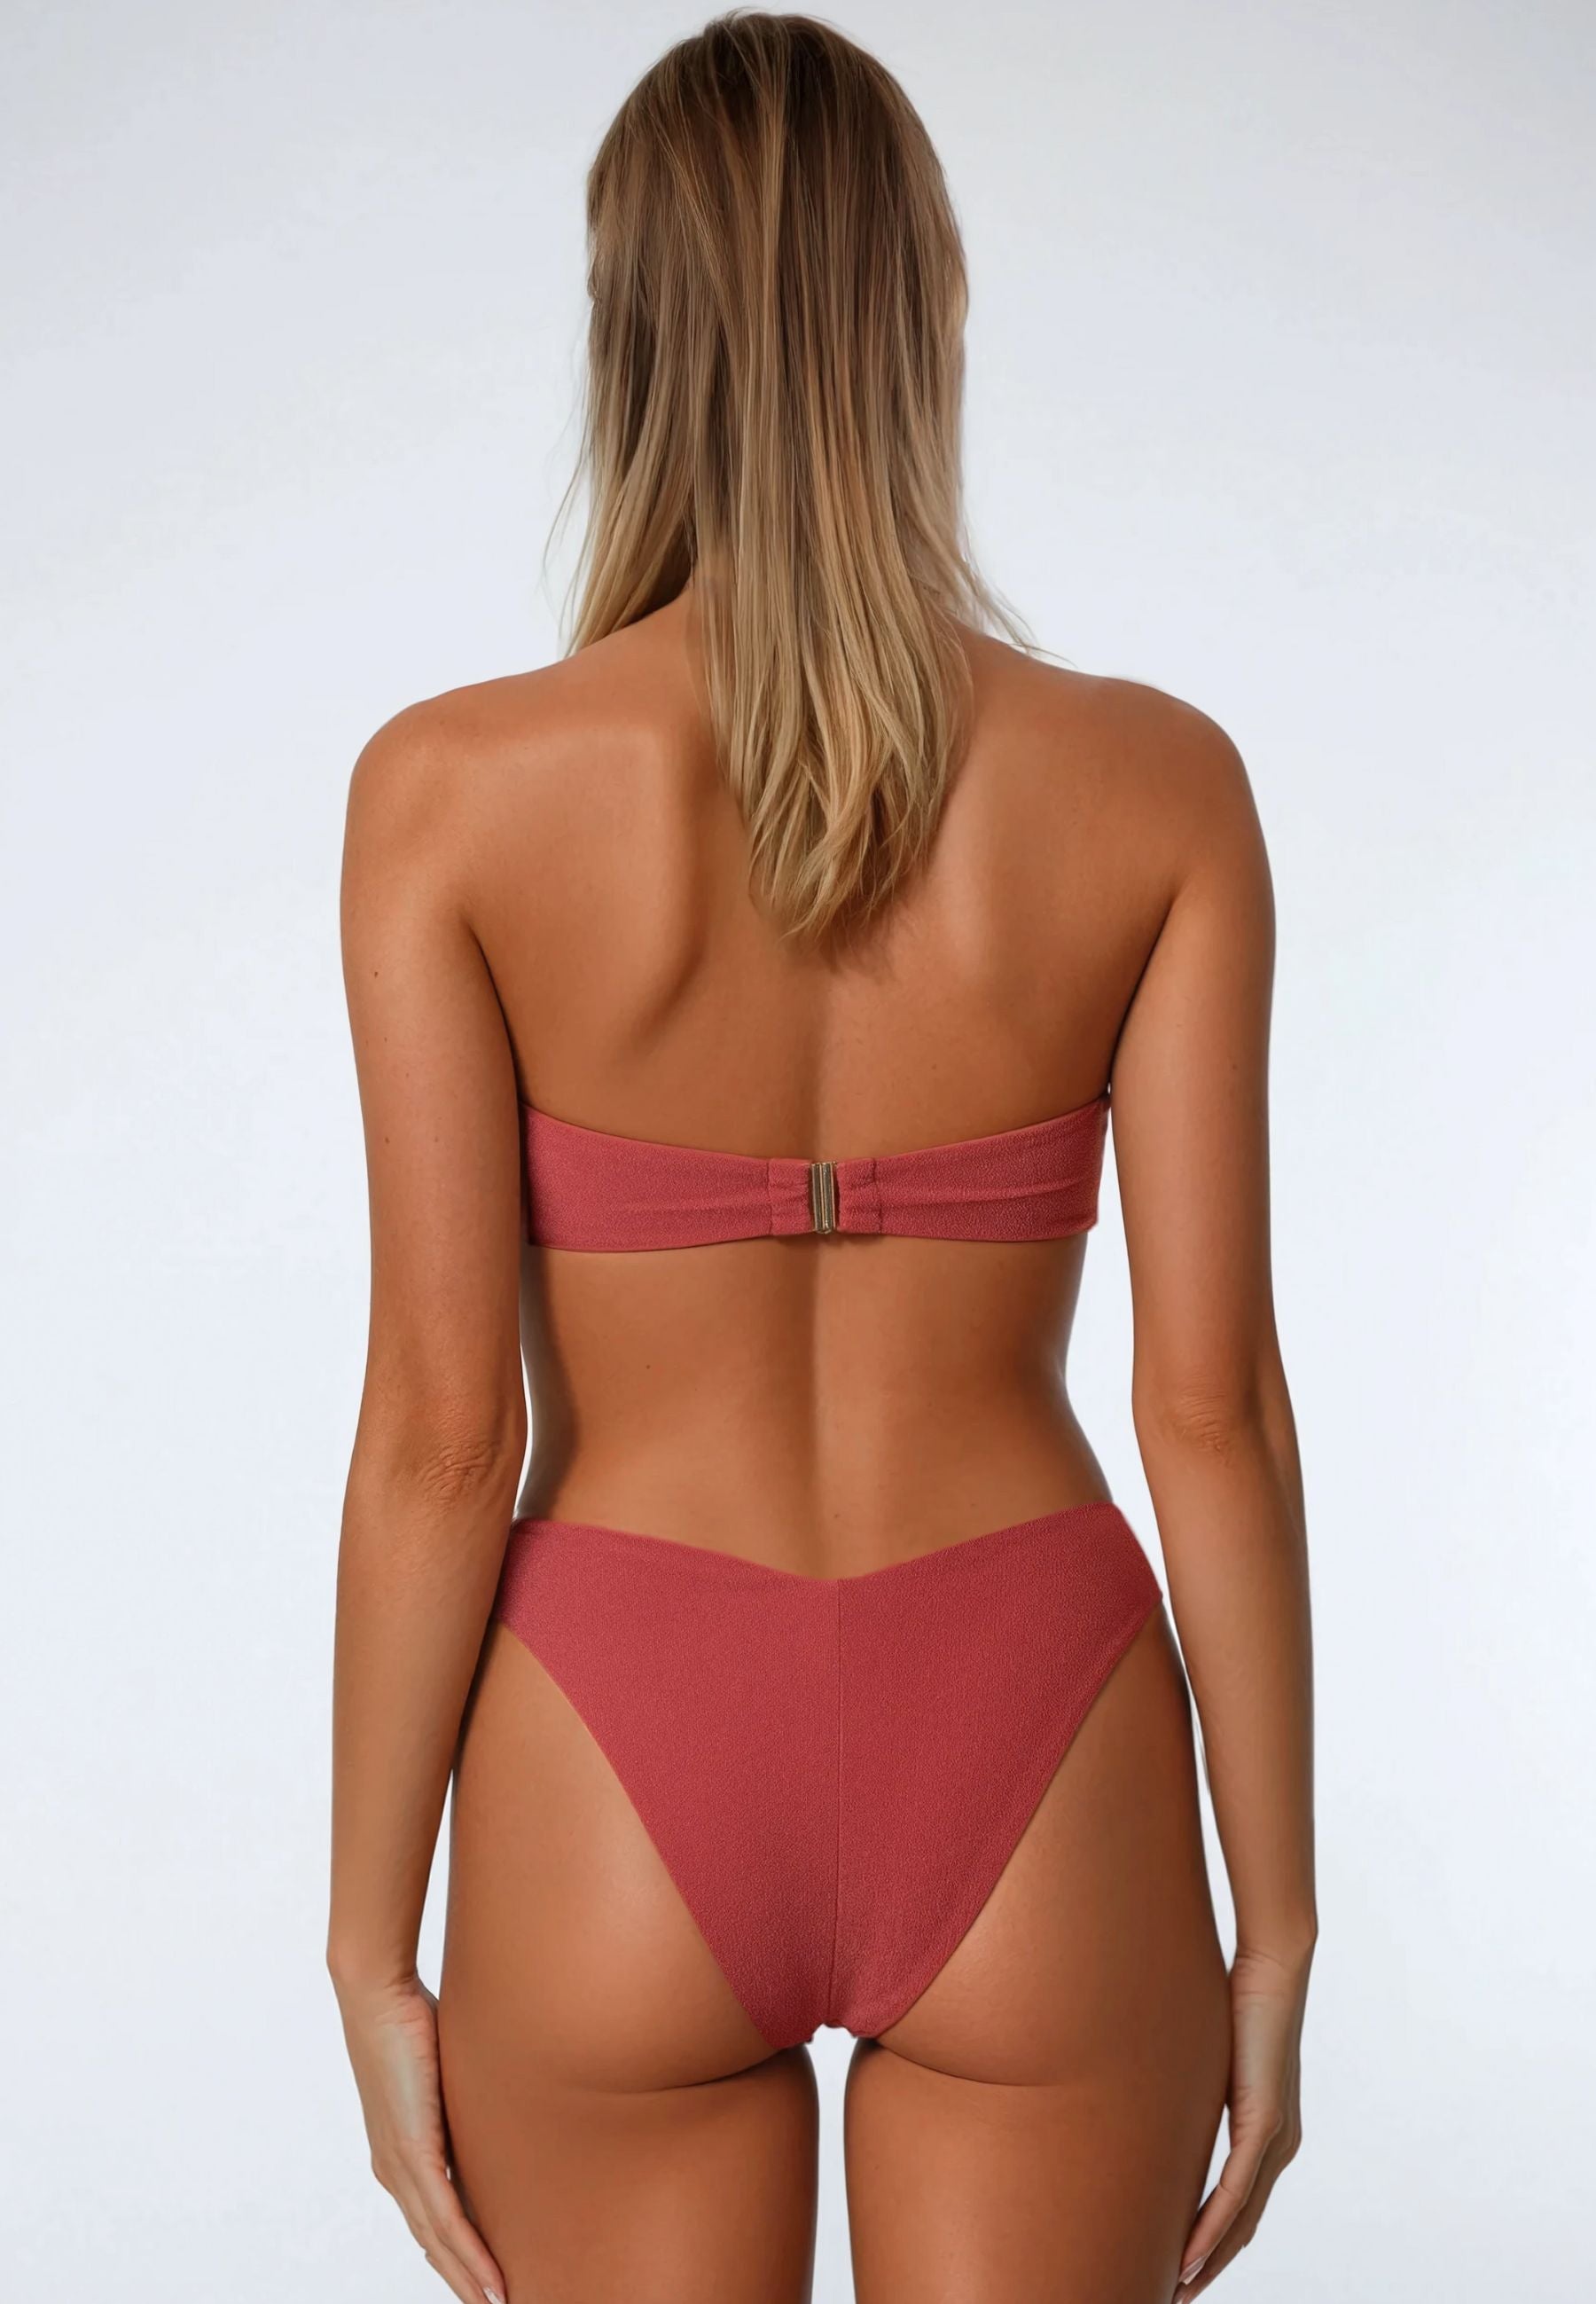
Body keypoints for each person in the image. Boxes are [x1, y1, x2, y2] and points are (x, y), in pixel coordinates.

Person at [326, 14, 1315, 2302]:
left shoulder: (451, 799)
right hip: (1033, 1718)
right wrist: (1273, 1929)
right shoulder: (1157, 788)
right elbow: (1216, 1412)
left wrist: (374, 1949)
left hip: (617, 1737)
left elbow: (440, 1438)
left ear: (624, 339)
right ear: (928, 318)